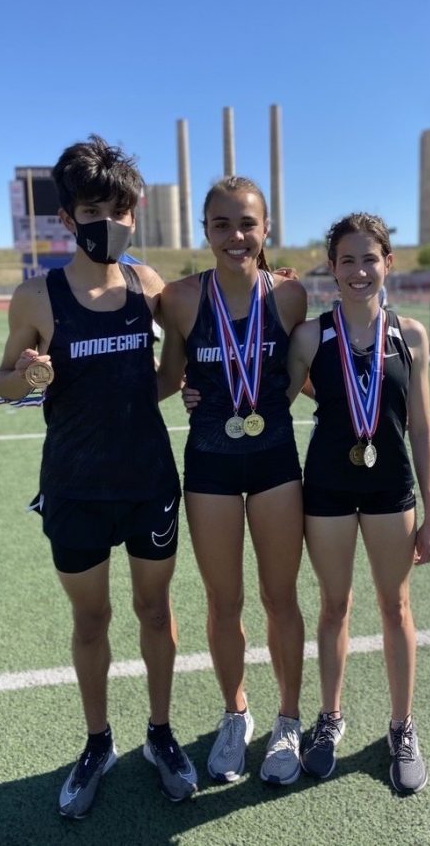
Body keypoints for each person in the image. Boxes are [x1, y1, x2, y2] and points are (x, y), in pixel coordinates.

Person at [0, 135, 197, 817]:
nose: (104, 221)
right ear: (66, 218)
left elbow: (171, 370)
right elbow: (5, 383)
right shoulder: (36, 296)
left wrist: (169, 390)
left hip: (146, 482)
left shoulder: (149, 288)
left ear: (133, 213)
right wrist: (25, 376)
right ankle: (97, 740)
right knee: (91, 619)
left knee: (152, 611)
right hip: (75, 487)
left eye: (117, 208)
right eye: (90, 209)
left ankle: (160, 734)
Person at [286, 212, 430, 792]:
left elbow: (422, 428)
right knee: (334, 606)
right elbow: (268, 397)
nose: (358, 270)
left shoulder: (411, 335)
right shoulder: (310, 335)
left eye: (368, 258)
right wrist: (205, 391)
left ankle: (402, 725)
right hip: (325, 487)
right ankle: (329, 719)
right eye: (346, 260)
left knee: (395, 606)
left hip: (389, 488)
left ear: (387, 263)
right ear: (332, 268)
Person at [159, 176, 307, 786]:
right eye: (222, 225)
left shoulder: (290, 297)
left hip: (274, 459)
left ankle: (290, 720)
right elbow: (167, 376)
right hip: (211, 465)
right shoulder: (181, 298)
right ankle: (234, 713)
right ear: (206, 232)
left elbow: (305, 369)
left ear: (265, 229)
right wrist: (84, 395)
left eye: (247, 224)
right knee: (225, 601)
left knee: (280, 598)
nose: (236, 236)